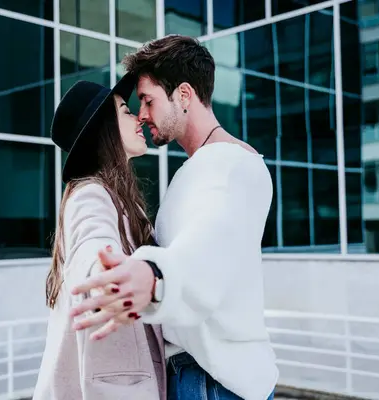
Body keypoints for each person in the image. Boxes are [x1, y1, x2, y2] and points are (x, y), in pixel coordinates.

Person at [68, 35, 279, 400]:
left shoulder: (231, 165)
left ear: (183, 95)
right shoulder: (200, 168)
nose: (142, 114)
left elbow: (209, 243)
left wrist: (154, 276)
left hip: (214, 381)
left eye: (148, 100)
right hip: (196, 376)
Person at [32, 74, 166, 400]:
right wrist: (103, 272)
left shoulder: (123, 199)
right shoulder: (89, 193)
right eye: (125, 111)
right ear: (102, 129)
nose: (138, 117)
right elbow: (91, 242)